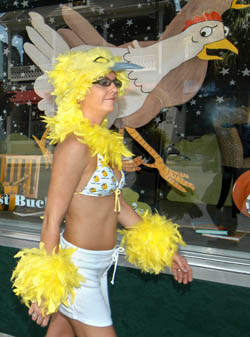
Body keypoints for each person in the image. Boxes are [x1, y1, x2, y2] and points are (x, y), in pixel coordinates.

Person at [11, 47, 192, 337]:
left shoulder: (104, 142)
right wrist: (46, 286)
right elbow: (51, 219)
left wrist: (165, 248)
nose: (113, 89)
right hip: (77, 271)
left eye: (115, 82)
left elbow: (118, 205)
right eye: (103, 82)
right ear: (79, 89)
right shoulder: (75, 146)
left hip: (100, 266)